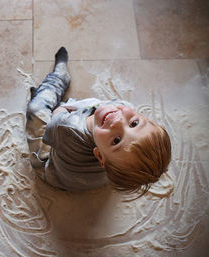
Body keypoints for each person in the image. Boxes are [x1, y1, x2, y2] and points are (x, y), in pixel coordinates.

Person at [26, 47, 171, 197]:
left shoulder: (67, 127)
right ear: (145, 118)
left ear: (100, 156)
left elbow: (57, 115)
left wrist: (65, 109)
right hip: (93, 180)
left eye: (116, 140)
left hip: (55, 176)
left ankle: (59, 78)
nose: (118, 122)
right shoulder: (116, 165)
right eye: (134, 124)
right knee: (96, 109)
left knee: (36, 109)